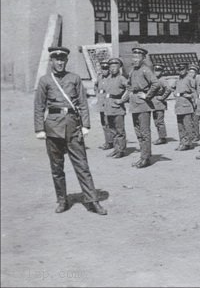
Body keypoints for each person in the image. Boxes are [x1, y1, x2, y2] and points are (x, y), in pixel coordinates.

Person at [34, 47, 107, 215]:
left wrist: (86, 125)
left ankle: (92, 201)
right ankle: (62, 200)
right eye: (56, 59)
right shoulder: (45, 80)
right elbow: (39, 106)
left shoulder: (74, 78)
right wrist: (39, 128)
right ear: (51, 61)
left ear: (66, 61)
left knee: (82, 165)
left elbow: (82, 103)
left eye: (62, 59)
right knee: (57, 167)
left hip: (73, 126)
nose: (59, 62)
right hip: (52, 127)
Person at [128, 47, 159, 168]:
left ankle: (145, 158)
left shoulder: (146, 70)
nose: (135, 59)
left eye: (138, 57)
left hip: (143, 105)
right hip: (134, 104)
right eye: (134, 57)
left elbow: (155, 84)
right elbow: (129, 85)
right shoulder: (132, 71)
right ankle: (143, 156)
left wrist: (147, 95)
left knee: (145, 133)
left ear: (143, 58)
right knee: (138, 132)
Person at [103, 58, 129, 159]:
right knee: (112, 130)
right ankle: (116, 148)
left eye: (115, 67)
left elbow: (129, 88)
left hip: (118, 108)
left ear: (119, 68)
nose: (112, 69)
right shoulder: (108, 78)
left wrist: (122, 100)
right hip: (109, 108)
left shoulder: (121, 78)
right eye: (111, 67)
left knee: (120, 131)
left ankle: (121, 150)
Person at [172, 63, 197, 151]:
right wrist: (175, 93)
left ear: (186, 69)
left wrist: (189, 96)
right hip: (179, 106)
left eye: (183, 69)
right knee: (180, 126)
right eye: (179, 69)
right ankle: (182, 142)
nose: (181, 71)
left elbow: (195, 93)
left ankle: (188, 143)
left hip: (187, 106)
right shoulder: (178, 80)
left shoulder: (190, 79)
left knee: (187, 126)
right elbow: (173, 89)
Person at [151, 64, 172, 146]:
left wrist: (163, 97)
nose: (157, 72)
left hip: (159, 103)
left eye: (159, 71)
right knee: (156, 121)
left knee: (160, 121)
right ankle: (160, 136)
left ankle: (162, 138)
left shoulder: (162, 80)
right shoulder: (154, 79)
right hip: (154, 103)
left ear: (162, 72)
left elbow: (169, 89)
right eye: (156, 71)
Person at [95, 60, 114, 150]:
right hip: (101, 104)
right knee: (104, 124)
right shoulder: (99, 77)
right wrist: (98, 95)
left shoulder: (112, 78)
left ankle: (110, 142)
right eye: (103, 68)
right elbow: (96, 86)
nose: (104, 71)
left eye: (106, 68)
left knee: (109, 123)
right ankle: (107, 141)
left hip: (109, 104)